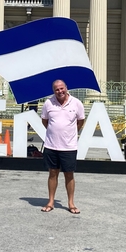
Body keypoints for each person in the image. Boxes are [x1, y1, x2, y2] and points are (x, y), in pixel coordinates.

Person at [40, 79, 85, 214]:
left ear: (66, 88)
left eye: (61, 88)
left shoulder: (77, 103)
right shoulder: (48, 103)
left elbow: (80, 121)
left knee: (69, 175)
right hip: (51, 145)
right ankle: (51, 201)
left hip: (69, 146)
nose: (59, 91)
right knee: (52, 173)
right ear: (53, 91)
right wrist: (55, 132)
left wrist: (68, 133)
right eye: (56, 89)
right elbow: (45, 121)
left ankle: (71, 203)